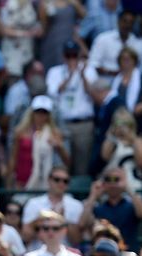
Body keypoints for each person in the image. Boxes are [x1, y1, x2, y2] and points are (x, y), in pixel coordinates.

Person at [46, 40, 97, 177]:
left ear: (79, 55)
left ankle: (80, 196)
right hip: (61, 124)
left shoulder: (89, 70)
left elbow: (93, 94)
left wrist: (82, 75)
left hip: (83, 124)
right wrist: (69, 75)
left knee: (82, 164)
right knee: (62, 163)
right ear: (63, 56)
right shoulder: (55, 72)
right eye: (68, 56)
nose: (71, 59)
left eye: (74, 55)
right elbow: (52, 93)